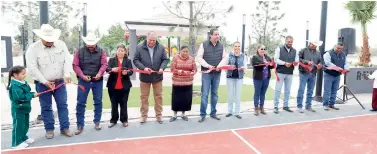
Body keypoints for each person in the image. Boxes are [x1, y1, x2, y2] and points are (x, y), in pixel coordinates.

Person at [26, 24, 73, 139]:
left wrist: (67, 74)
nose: (50, 42)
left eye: (52, 40)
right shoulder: (33, 49)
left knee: (62, 105)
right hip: (43, 84)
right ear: (41, 38)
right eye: (47, 40)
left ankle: (65, 128)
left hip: (59, 82)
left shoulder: (61, 45)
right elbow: (33, 68)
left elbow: (67, 60)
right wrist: (45, 81)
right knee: (46, 107)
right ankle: (49, 129)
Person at [72, 32, 108, 134]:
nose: (91, 45)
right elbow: (75, 65)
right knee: (80, 103)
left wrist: (100, 73)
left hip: (97, 80)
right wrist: (82, 75)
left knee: (98, 102)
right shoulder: (79, 51)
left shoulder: (102, 51)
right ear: (86, 43)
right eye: (89, 43)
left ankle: (97, 121)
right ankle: (80, 125)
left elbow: (104, 64)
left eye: (92, 44)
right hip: (83, 80)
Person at [133, 31, 169, 124]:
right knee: (144, 97)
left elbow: (165, 59)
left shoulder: (161, 47)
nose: (152, 42)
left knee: (158, 96)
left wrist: (162, 68)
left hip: (157, 77)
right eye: (150, 40)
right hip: (145, 77)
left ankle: (159, 115)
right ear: (146, 38)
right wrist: (143, 68)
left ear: (156, 39)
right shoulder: (139, 47)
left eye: (154, 40)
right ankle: (143, 116)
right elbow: (136, 60)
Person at [196, 28, 228, 123]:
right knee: (205, 94)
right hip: (206, 74)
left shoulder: (221, 46)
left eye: (218, 34)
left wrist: (220, 66)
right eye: (215, 34)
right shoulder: (204, 44)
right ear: (211, 35)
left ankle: (213, 113)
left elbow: (225, 58)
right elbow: (198, 57)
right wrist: (208, 66)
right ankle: (202, 115)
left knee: (215, 94)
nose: (217, 36)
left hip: (217, 74)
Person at [7, 66, 39, 149]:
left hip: (25, 107)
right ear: (15, 75)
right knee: (18, 126)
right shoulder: (15, 86)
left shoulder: (23, 82)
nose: (25, 75)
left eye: (25, 73)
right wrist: (32, 95)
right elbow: (20, 98)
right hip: (18, 109)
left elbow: (27, 92)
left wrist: (32, 94)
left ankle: (23, 138)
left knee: (25, 125)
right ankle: (16, 143)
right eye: (23, 74)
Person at [106, 44, 133, 127]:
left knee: (124, 104)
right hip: (112, 86)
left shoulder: (128, 61)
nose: (120, 52)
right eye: (119, 50)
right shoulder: (111, 60)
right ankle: (113, 120)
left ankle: (124, 120)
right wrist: (112, 69)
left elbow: (131, 71)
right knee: (113, 104)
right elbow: (107, 69)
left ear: (125, 52)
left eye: (122, 51)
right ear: (116, 51)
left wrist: (126, 72)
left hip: (124, 86)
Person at [169, 46, 197, 122]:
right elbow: (172, 69)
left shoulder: (191, 59)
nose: (185, 53)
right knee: (176, 99)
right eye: (183, 51)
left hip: (188, 83)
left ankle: (183, 114)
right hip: (177, 82)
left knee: (185, 99)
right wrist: (180, 71)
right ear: (180, 51)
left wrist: (193, 72)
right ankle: (174, 115)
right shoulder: (175, 58)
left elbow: (195, 69)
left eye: (187, 51)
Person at [273, 35, 299, 114]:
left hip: (290, 73)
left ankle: (285, 106)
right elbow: (276, 59)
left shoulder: (295, 51)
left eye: (291, 42)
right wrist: (284, 63)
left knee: (287, 90)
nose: (290, 43)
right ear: (285, 41)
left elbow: (297, 60)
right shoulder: (279, 49)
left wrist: (295, 63)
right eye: (288, 42)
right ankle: (275, 106)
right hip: (280, 72)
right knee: (278, 90)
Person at [296, 40, 323, 113]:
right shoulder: (303, 50)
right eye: (314, 44)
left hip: (313, 73)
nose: (315, 46)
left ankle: (308, 106)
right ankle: (299, 106)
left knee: (310, 91)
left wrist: (320, 64)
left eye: (316, 45)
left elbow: (320, 61)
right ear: (310, 43)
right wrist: (307, 62)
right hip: (304, 72)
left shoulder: (318, 52)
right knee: (301, 90)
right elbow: (298, 59)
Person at [221, 42, 245, 119]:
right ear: (233, 47)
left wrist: (243, 68)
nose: (237, 47)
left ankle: (237, 112)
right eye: (235, 46)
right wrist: (229, 67)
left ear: (240, 47)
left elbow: (245, 66)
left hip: (239, 78)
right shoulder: (229, 55)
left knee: (238, 96)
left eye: (238, 46)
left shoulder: (243, 56)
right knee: (230, 95)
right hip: (230, 77)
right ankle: (230, 111)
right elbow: (223, 65)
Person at [322, 43, 349, 110]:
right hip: (329, 74)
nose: (339, 50)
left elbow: (346, 63)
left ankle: (332, 104)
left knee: (334, 90)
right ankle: (325, 104)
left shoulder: (343, 54)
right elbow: (327, 63)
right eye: (338, 48)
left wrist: (346, 68)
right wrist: (337, 68)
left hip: (337, 75)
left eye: (341, 48)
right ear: (334, 46)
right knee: (327, 90)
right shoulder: (328, 54)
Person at [251, 44, 274, 116]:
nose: (263, 50)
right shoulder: (255, 57)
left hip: (266, 78)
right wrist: (264, 63)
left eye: (264, 49)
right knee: (257, 93)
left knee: (263, 93)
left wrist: (271, 64)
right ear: (258, 49)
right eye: (261, 49)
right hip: (258, 78)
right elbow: (255, 64)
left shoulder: (267, 57)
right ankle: (256, 108)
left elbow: (271, 66)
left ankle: (261, 107)